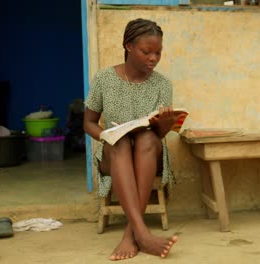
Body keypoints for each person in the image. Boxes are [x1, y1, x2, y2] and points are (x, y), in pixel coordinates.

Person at [83, 18, 182, 261]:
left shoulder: (162, 84)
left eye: (158, 52)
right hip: (113, 152)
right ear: (129, 46)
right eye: (146, 51)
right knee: (121, 143)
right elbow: (88, 123)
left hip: (150, 153)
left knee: (147, 139)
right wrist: (106, 135)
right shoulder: (105, 79)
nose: (153, 58)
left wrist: (166, 126)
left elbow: (158, 135)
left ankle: (131, 234)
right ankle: (142, 234)